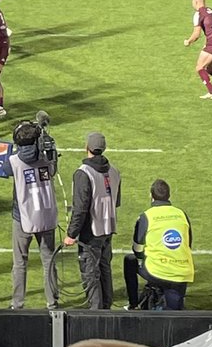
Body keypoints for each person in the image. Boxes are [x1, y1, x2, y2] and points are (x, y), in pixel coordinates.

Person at [2, 118, 59, 310]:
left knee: (20, 263)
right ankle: (52, 303)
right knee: (48, 261)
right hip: (46, 215)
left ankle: (17, 303)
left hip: (22, 217)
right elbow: (53, 168)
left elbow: (5, 167)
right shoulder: (47, 157)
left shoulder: (13, 161)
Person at [63, 131, 122, 310]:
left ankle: (96, 312)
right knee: (105, 269)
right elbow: (116, 201)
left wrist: (71, 234)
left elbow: (80, 208)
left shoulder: (83, 173)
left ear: (87, 148)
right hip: (108, 227)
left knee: (90, 273)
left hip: (91, 231)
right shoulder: (114, 171)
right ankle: (106, 307)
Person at [123, 179, 194, 310]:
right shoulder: (181, 214)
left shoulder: (147, 216)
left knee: (130, 260)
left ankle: (133, 304)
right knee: (175, 308)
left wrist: (142, 258)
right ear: (169, 195)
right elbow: (188, 243)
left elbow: (137, 248)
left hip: (156, 271)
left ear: (151, 196)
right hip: (182, 271)